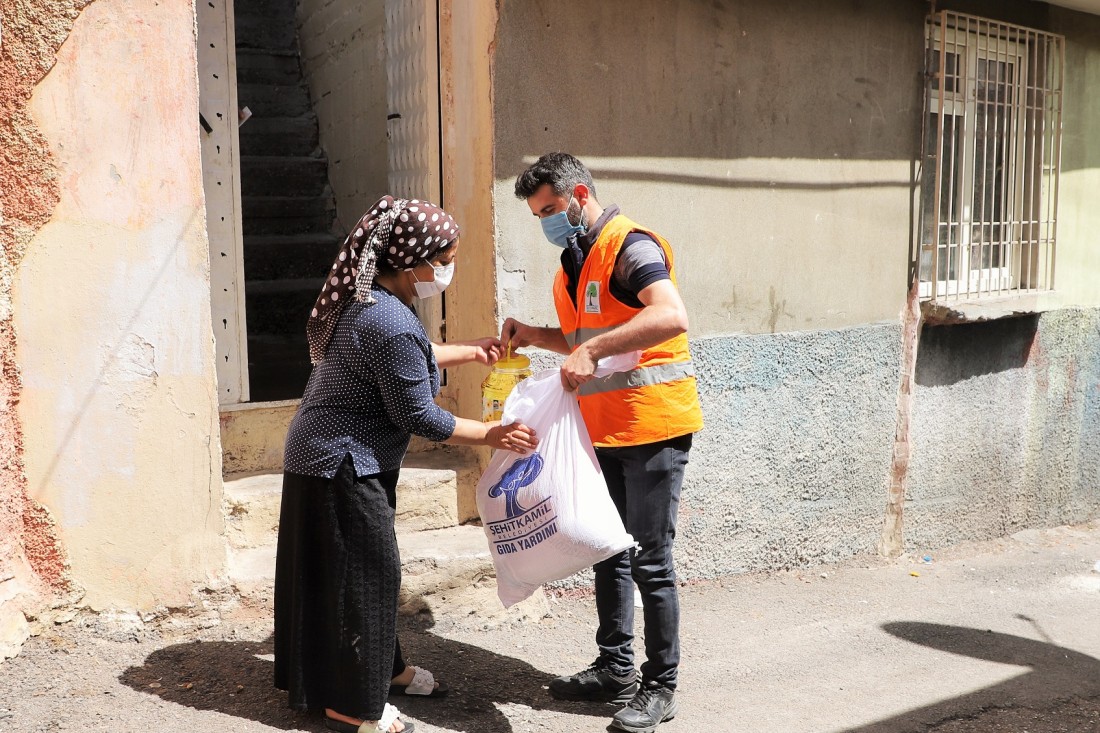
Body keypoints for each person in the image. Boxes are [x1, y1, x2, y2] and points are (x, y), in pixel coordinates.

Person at [274, 195, 538, 733]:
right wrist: (492, 433)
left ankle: (383, 670)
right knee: (368, 573)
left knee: (355, 572)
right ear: (411, 261)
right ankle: (354, 704)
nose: (446, 271)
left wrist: (468, 351)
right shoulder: (388, 321)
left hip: (327, 454)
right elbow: (421, 415)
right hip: (340, 462)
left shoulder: (374, 302)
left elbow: (413, 350)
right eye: (444, 260)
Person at [502, 153, 703, 733]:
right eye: (538, 213)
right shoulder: (574, 260)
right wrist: (534, 336)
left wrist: (587, 352)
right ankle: (614, 669)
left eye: (549, 210)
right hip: (604, 428)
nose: (544, 221)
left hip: (652, 426)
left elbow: (670, 315)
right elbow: (582, 338)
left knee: (650, 559)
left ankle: (660, 686)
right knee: (609, 549)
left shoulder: (629, 247)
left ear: (580, 195)